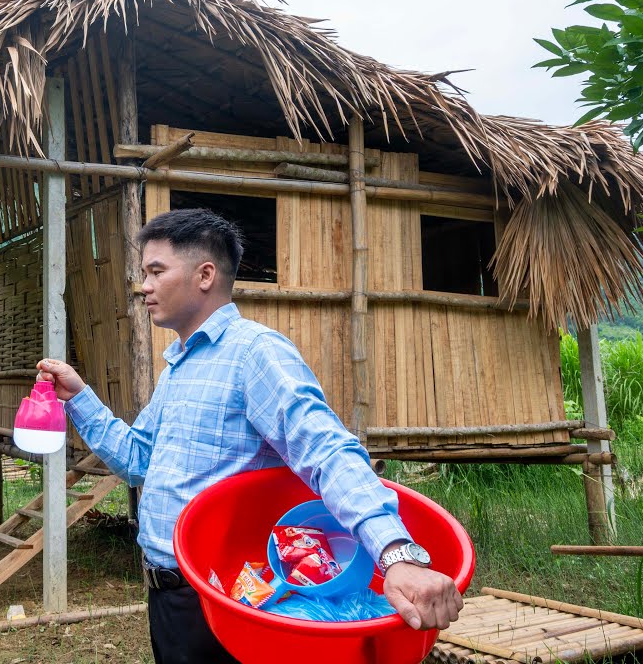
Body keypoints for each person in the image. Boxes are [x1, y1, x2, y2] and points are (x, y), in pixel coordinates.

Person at [37, 209, 463, 663]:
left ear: (205, 275)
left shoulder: (256, 354)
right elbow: (139, 460)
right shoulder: (178, 368)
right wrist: (79, 397)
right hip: (169, 596)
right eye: (145, 273)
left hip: (231, 598)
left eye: (156, 271)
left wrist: (396, 553)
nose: (144, 285)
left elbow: (326, 449)